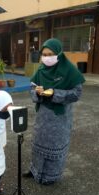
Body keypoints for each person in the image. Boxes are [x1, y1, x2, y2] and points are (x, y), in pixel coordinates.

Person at [23, 38, 85, 185]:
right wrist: (37, 92)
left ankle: (50, 176)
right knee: (39, 142)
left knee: (54, 145)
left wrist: (55, 93)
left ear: (58, 53)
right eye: (44, 54)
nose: (47, 57)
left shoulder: (69, 69)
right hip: (43, 116)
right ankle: (35, 170)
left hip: (60, 117)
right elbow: (32, 87)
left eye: (50, 54)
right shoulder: (41, 69)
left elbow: (76, 93)